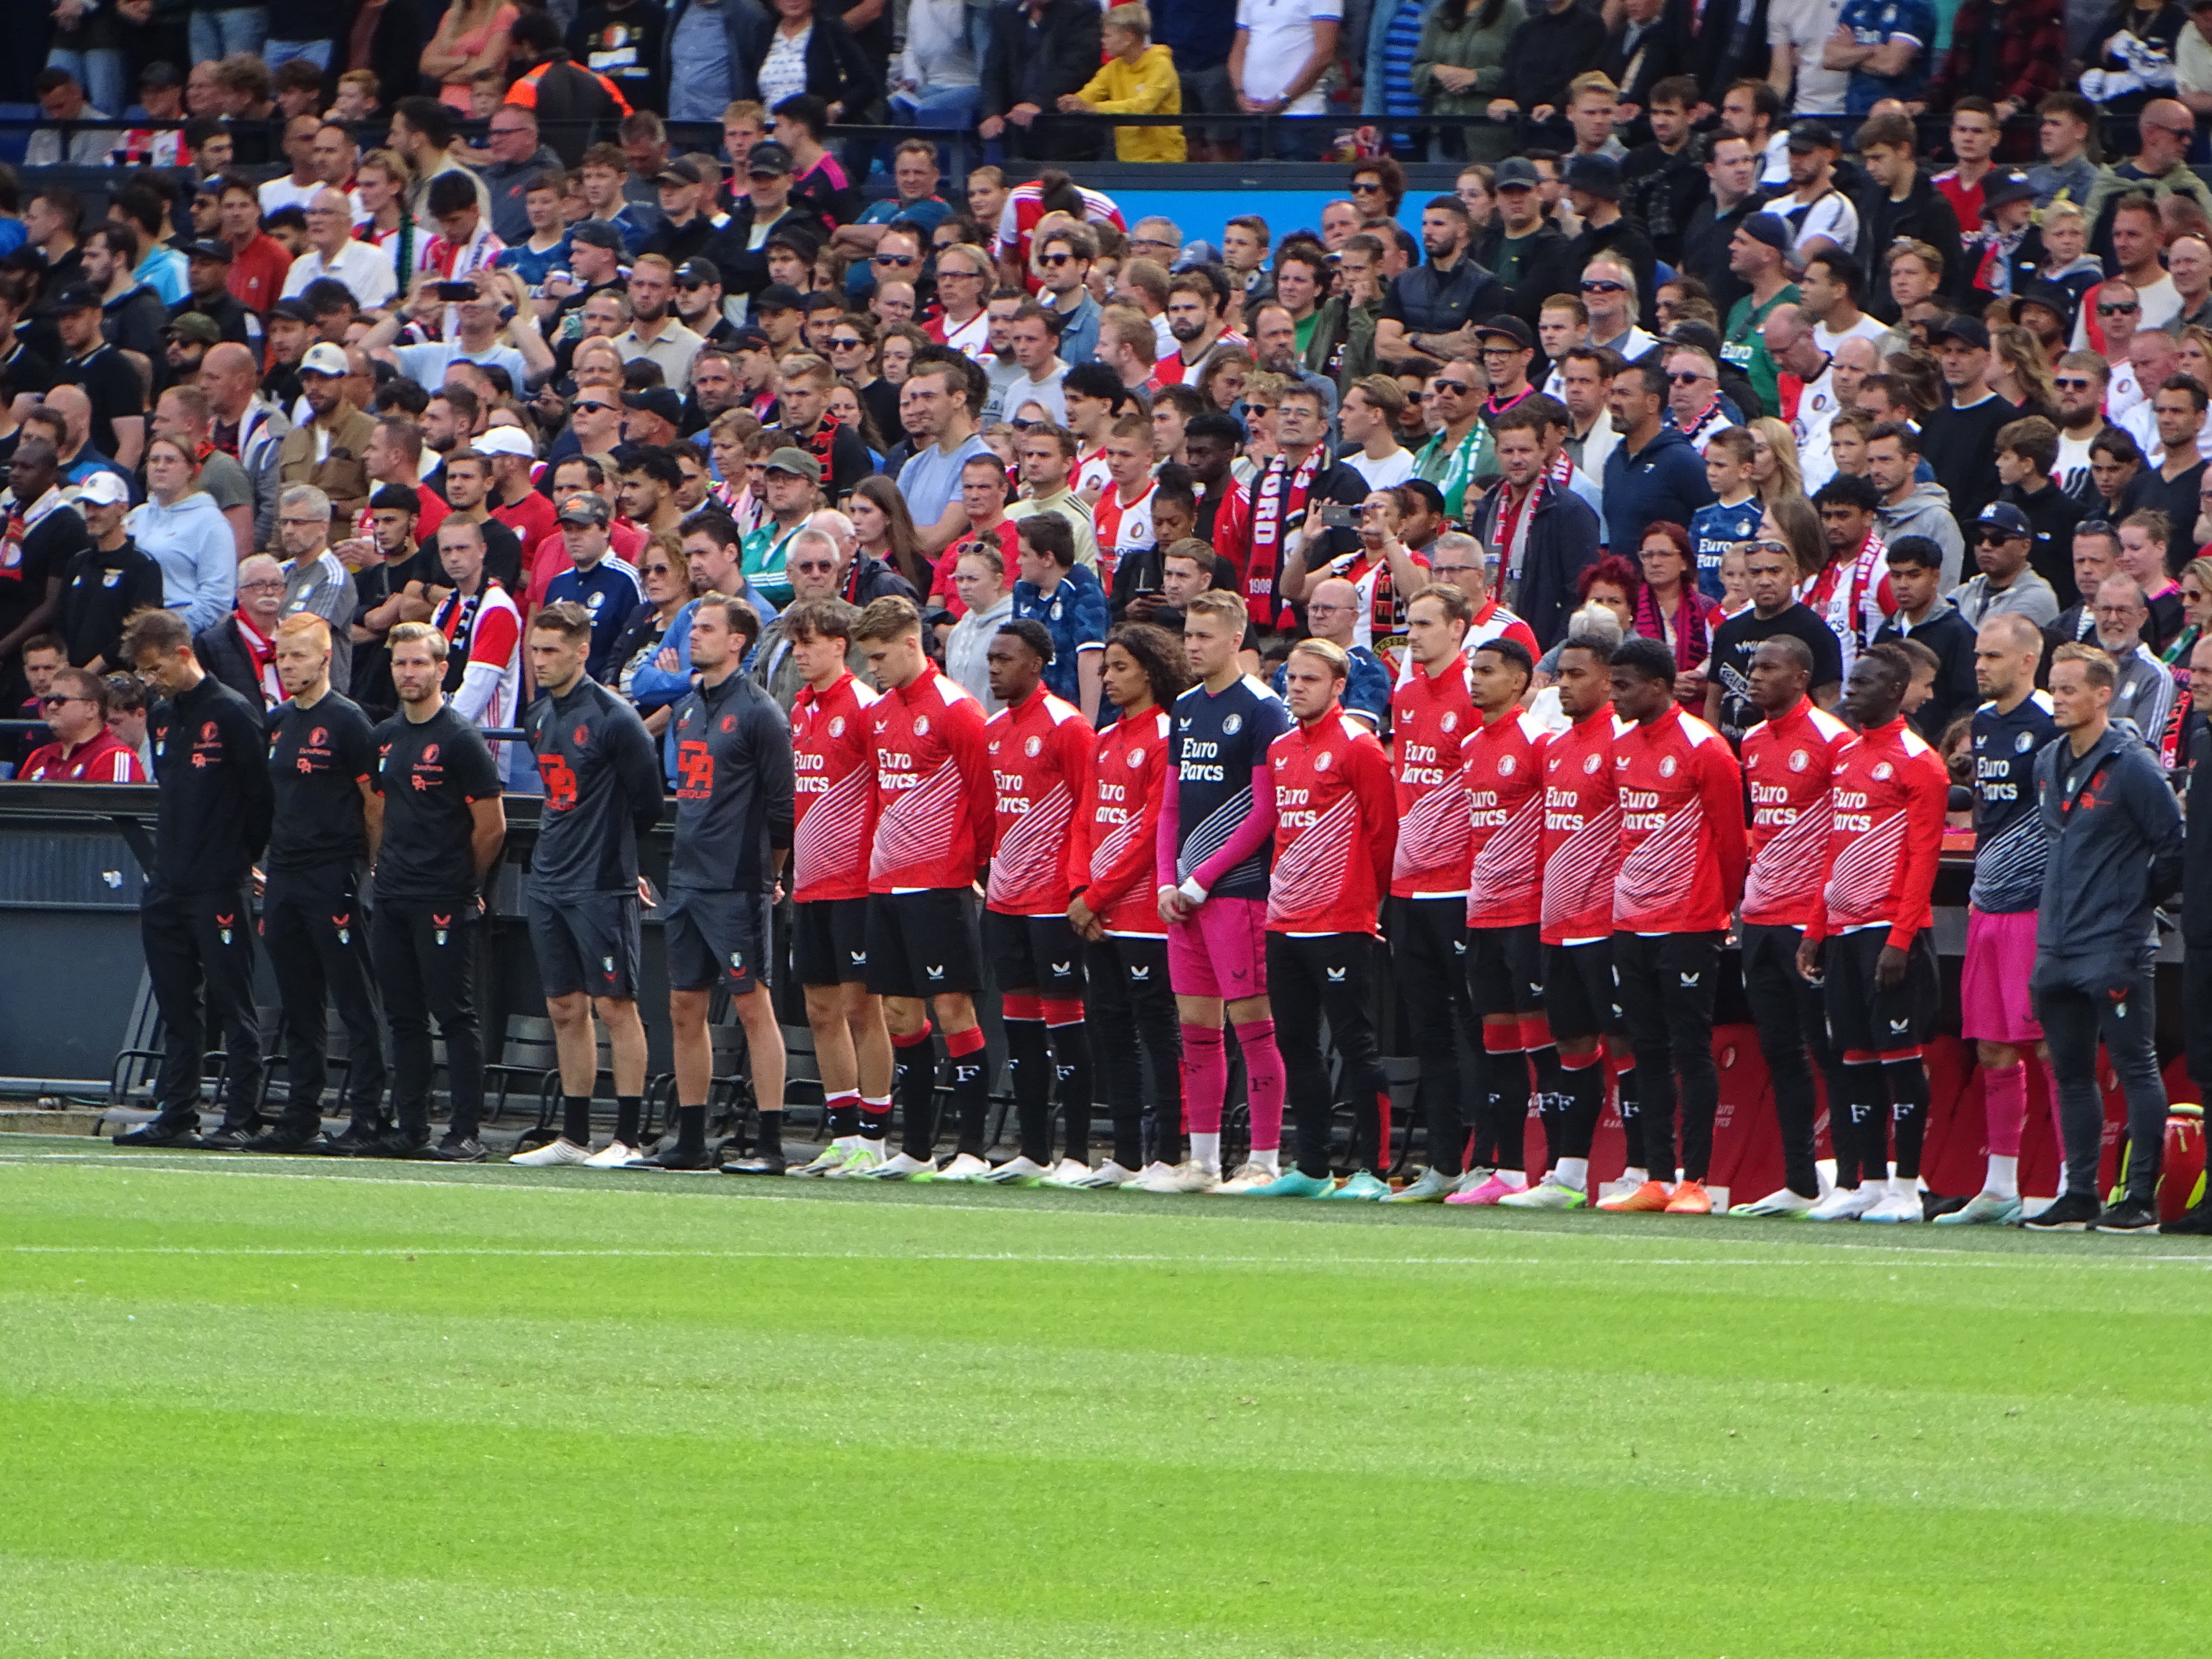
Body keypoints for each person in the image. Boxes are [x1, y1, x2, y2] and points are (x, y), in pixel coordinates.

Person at [2022, 642, 2184, 1232]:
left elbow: (2175, 843)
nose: (2058, 699)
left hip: (2114, 943)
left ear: (2102, 695)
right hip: (2057, 942)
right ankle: (2080, 1191)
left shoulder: (2133, 765)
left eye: (2069, 689)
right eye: (2054, 688)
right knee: (2069, 1072)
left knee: (2136, 1066)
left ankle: (2139, 1196)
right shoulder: (2047, 760)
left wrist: (2136, 901)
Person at [1229, 637, 1397, 1199]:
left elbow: (1383, 835)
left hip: (1340, 921)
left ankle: (1374, 1171)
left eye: (1310, 679)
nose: (1295, 688)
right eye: (1291, 679)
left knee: (1355, 1043)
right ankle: (1314, 1167)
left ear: (1338, 687)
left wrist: (1360, 903)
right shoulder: (1280, 748)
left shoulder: (1360, 746)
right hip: (1285, 921)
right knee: (1297, 1043)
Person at [502, 604, 664, 1170]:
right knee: (564, 1006)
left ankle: (626, 1136)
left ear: (580, 651)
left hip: (601, 882)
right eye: (535, 649)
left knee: (615, 1005)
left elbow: (646, 801)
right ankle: (572, 1135)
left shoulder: (614, 718)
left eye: (551, 651)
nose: (540, 661)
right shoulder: (539, 716)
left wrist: (617, 857)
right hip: (550, 877)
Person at [1141, 590, 1293, 1193]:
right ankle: (1202, 1161)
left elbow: (1265, 809)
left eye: (1205, 636)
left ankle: (1264, 1160)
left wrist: (1204, 878)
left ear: (1236, 640)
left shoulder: (1262, 708)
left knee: (1253, 1024)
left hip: (1238, 890)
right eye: (1188, 635)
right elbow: (1171, 805)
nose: (1193, 646)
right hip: (1185, 894)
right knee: (1195, 1027)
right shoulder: (1182, 708)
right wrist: (1166, 880)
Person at [1794, 642, 1948, 1222]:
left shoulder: (1919, 761)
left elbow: (1923, 859)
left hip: (1890, 930)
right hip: (1844, 932)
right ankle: (1868, 1182)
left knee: (1900, 1060)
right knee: (1852, 1058)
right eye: (1849, 683)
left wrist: (1901, 939)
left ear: (1892, 692)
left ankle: (1908, 1188)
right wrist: (1816, 928)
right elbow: (1834, 851)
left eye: (1861, 684)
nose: (1848, 692)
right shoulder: (1848, 758)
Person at [109, 609, 273, 1150]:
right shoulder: (162, 716)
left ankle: (242, 1117)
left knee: (233, 1000)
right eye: (145, 673)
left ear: (184, 655)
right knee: (177, 1004)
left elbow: (260, 798)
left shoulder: (232, 712)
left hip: (218, 883)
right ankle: (177, 1111)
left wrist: (238, 859)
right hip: (169, 882)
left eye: (156, 670)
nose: (152, 682)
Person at [1593, 637, 1745, 1215]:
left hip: (1689, 921)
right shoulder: (1623, 747)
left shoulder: (1704, 749)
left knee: (1690, 1051)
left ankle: (1697, 1181)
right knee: (1646, 1050)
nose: (1615, 695)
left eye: (1625, 685)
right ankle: (1657, 1177)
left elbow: (1733, 843)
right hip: (1632, 922)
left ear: (1659, 687)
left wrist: (1719, 910)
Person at [847, 596, 997, 1180]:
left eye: (880, 656)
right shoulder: (878, 716)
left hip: (940, 883)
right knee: (899, 1013)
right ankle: (915, 1147)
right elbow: (878, 798)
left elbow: (985, 804)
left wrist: (972, 867)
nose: (873, 668)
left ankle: (973, 1149)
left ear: (913, 644)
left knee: (954, 1006)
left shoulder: (958, 710)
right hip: (887, 885)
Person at [1925, 615, 2066, 1225]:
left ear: (2029, 661)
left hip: (2036, 909)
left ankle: (2070, 1180)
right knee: (1992, 1047)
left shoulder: (2051, 725)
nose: (1979, 666)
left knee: (2052, 1048)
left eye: (1993, 657)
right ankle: (2001, 1183)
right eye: (1978, 655)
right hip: (1988, 903)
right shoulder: (1982, 725)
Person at [1499, 628, 1641, 1207]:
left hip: (1607, 923)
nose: (1562, 685)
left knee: (1628, 1046)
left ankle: (1640, 1170)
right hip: (1556, 922)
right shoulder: (1555, 748)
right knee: (1572, 1046)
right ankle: (1569, 1174)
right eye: (1559, 674)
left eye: (1576, 675)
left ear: (1609, 681)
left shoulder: (1625, 743)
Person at [364, 621, 506, 1163]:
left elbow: (491, 828)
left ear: (442, 669)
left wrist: (461, 882)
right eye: (401, 663)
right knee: (401, 1015)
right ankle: (411, 1124)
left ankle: (465, 1130)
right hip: (394, 894)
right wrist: (380, 868)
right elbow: (377, 808)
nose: (409, 673)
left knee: (454, 1014)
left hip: (443, 897)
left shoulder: (460, 740)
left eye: (419, 663)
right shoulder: (386, 737)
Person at [249, 615, 390, 1154]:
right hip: (285, 875)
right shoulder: (279, 721)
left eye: (299, 656)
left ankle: (367, 1117)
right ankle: (301, 1115)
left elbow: (374, 802)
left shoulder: (350, 722)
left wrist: (368, 867)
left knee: (354, 999)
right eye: (282, 656)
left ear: (325, 658)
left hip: (334, 874)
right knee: (297, 999)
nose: (288, 666)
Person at [1729, 635, 1858, 1215]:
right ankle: (1801, 1179)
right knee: (1780, 1052)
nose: (1754, 677)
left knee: (1831, 1051)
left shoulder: (1834, 741)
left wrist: (1823, 917)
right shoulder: (1752, 742)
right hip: (1759, 918)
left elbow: (1848, 833)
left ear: (1801, 678)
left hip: (1811, 920)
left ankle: (1855, 1179)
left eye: (1768, 668)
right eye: (1752, 667)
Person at [970, 619, 1096, 1184]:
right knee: (1018, 1024)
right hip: (1004, 901)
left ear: (1037, 665)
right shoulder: (993, 731)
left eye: (1006, 659)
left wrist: (1080, 890)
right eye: (991, 658)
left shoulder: (1068, 728)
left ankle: (1076, 1154)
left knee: (1065, 1023)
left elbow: (1089, 815)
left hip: (1054, 904)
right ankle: (1033, 1149)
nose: (994, 667)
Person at [1061, 622, 1187, 1186]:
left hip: (1142, 914)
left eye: (1119, 668)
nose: (1108, 678)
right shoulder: (1106, 739)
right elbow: (1085, 820)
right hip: (1096, 912)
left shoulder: (1165, 736)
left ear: (1151, 671)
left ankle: (1167, 1153)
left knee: (1157, 1031)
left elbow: (1155, 833)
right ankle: (1128, 1153)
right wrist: (1077, 892)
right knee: (1111, 1029)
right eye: (1106, 667)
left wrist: (1099, 895)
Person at [777, 597, 896, 1177]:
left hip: (856, 882)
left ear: (839, 646)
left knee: (860, 1007)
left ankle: (874, 1137)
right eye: (795, 644)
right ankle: (843, 1132)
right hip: (810, 882)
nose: (799, 654)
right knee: (820, 1009)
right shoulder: (800, 710)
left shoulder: (867, 709)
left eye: (809, 643)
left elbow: (886, 795)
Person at [1707, 535, 1845, 743]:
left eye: (1774, 571)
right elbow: (1714, 702)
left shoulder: (1815, 632)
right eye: (1755, 573)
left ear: (1793, 575)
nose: (1764, 581)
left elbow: (1829, 708)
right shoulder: (1728, 631)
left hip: (1790, 755)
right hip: (1732, 755)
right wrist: (1714, 748)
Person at [1603, 359, 1717, 558]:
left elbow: (1714, 523)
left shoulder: (1682, 461)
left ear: (1652, 403)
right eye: (1613, 393)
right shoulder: (1614, 461)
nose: (1613, 402)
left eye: (1624, 394)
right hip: (1623, 586)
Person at [1873, 535, 1980, 741]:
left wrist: (1946, 746)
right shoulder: (1887, 630)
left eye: (1914, 575)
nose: (1903, 585)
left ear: (1935, 576)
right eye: (1896, 576)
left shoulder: (1957, 633)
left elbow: (1968, 703)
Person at [16, 667, 143, 781]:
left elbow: (114, 806)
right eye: (49, 700)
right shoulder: (38, 756)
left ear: (92, 709)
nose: (52, 707)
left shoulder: (115, 756)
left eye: (61, 700)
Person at [1953, 502, 2062, 629]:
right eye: (1979, 538)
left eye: (1997, 539)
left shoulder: (2038, 597)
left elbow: (1994, 644)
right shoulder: (1964, 592)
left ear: (2025, 547)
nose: (1985, 546)